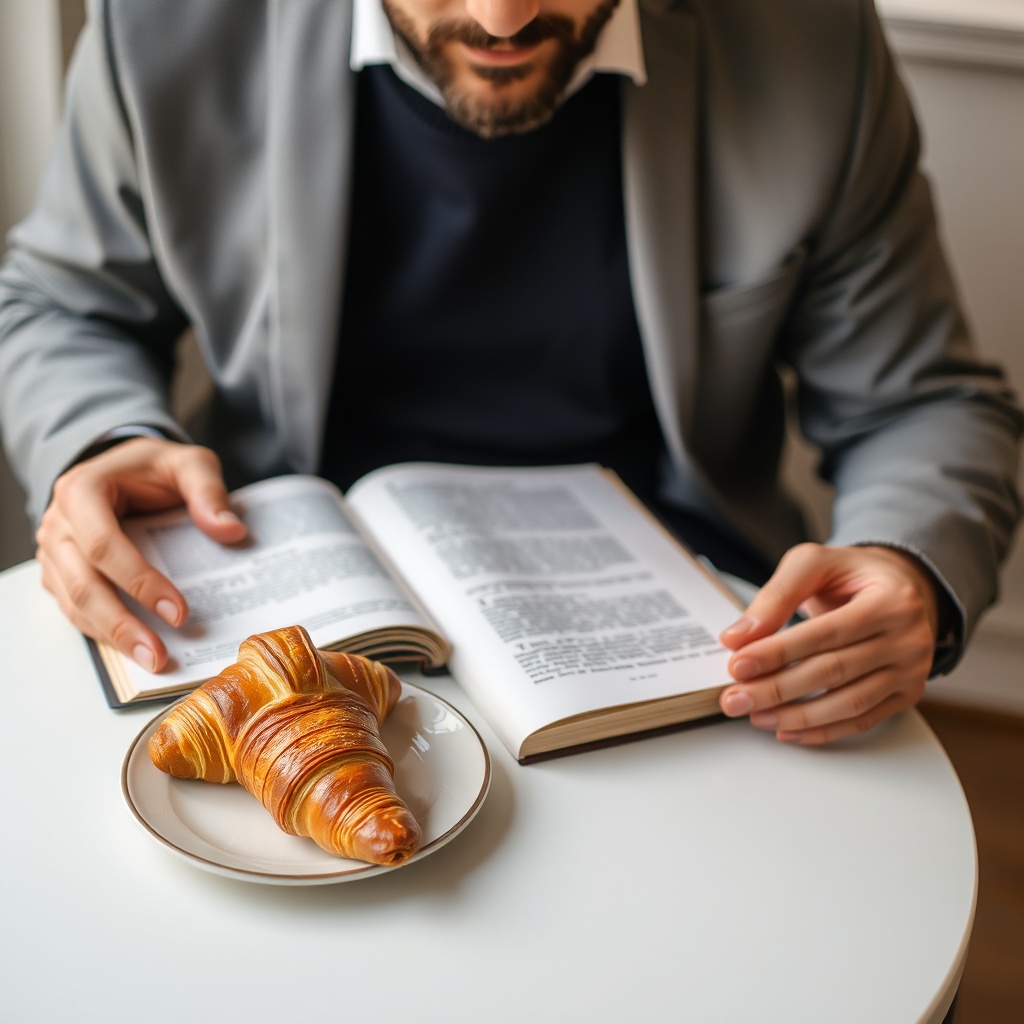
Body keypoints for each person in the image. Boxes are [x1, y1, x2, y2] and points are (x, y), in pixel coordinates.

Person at [0, 0, 1021, 749]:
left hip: (700, 651)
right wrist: (103, 441)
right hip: (282, 611)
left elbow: (921, 401)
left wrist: (909, 565)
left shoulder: (813, 41)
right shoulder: (165, 24)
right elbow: (61, 303)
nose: (502, 19)